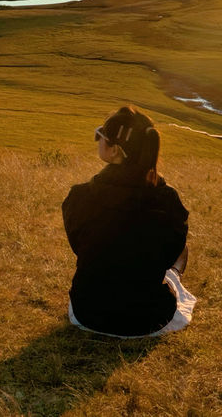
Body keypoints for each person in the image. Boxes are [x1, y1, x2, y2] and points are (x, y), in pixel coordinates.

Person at [62, 105, 196, 337]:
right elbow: (169, 252)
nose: (97, 141)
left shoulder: (80, 197)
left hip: (87, 312)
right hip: (149, 318)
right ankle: (172, 279)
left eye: (100, 136)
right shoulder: (168, 200)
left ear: (115, 150)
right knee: (181, 251)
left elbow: (79, 248)